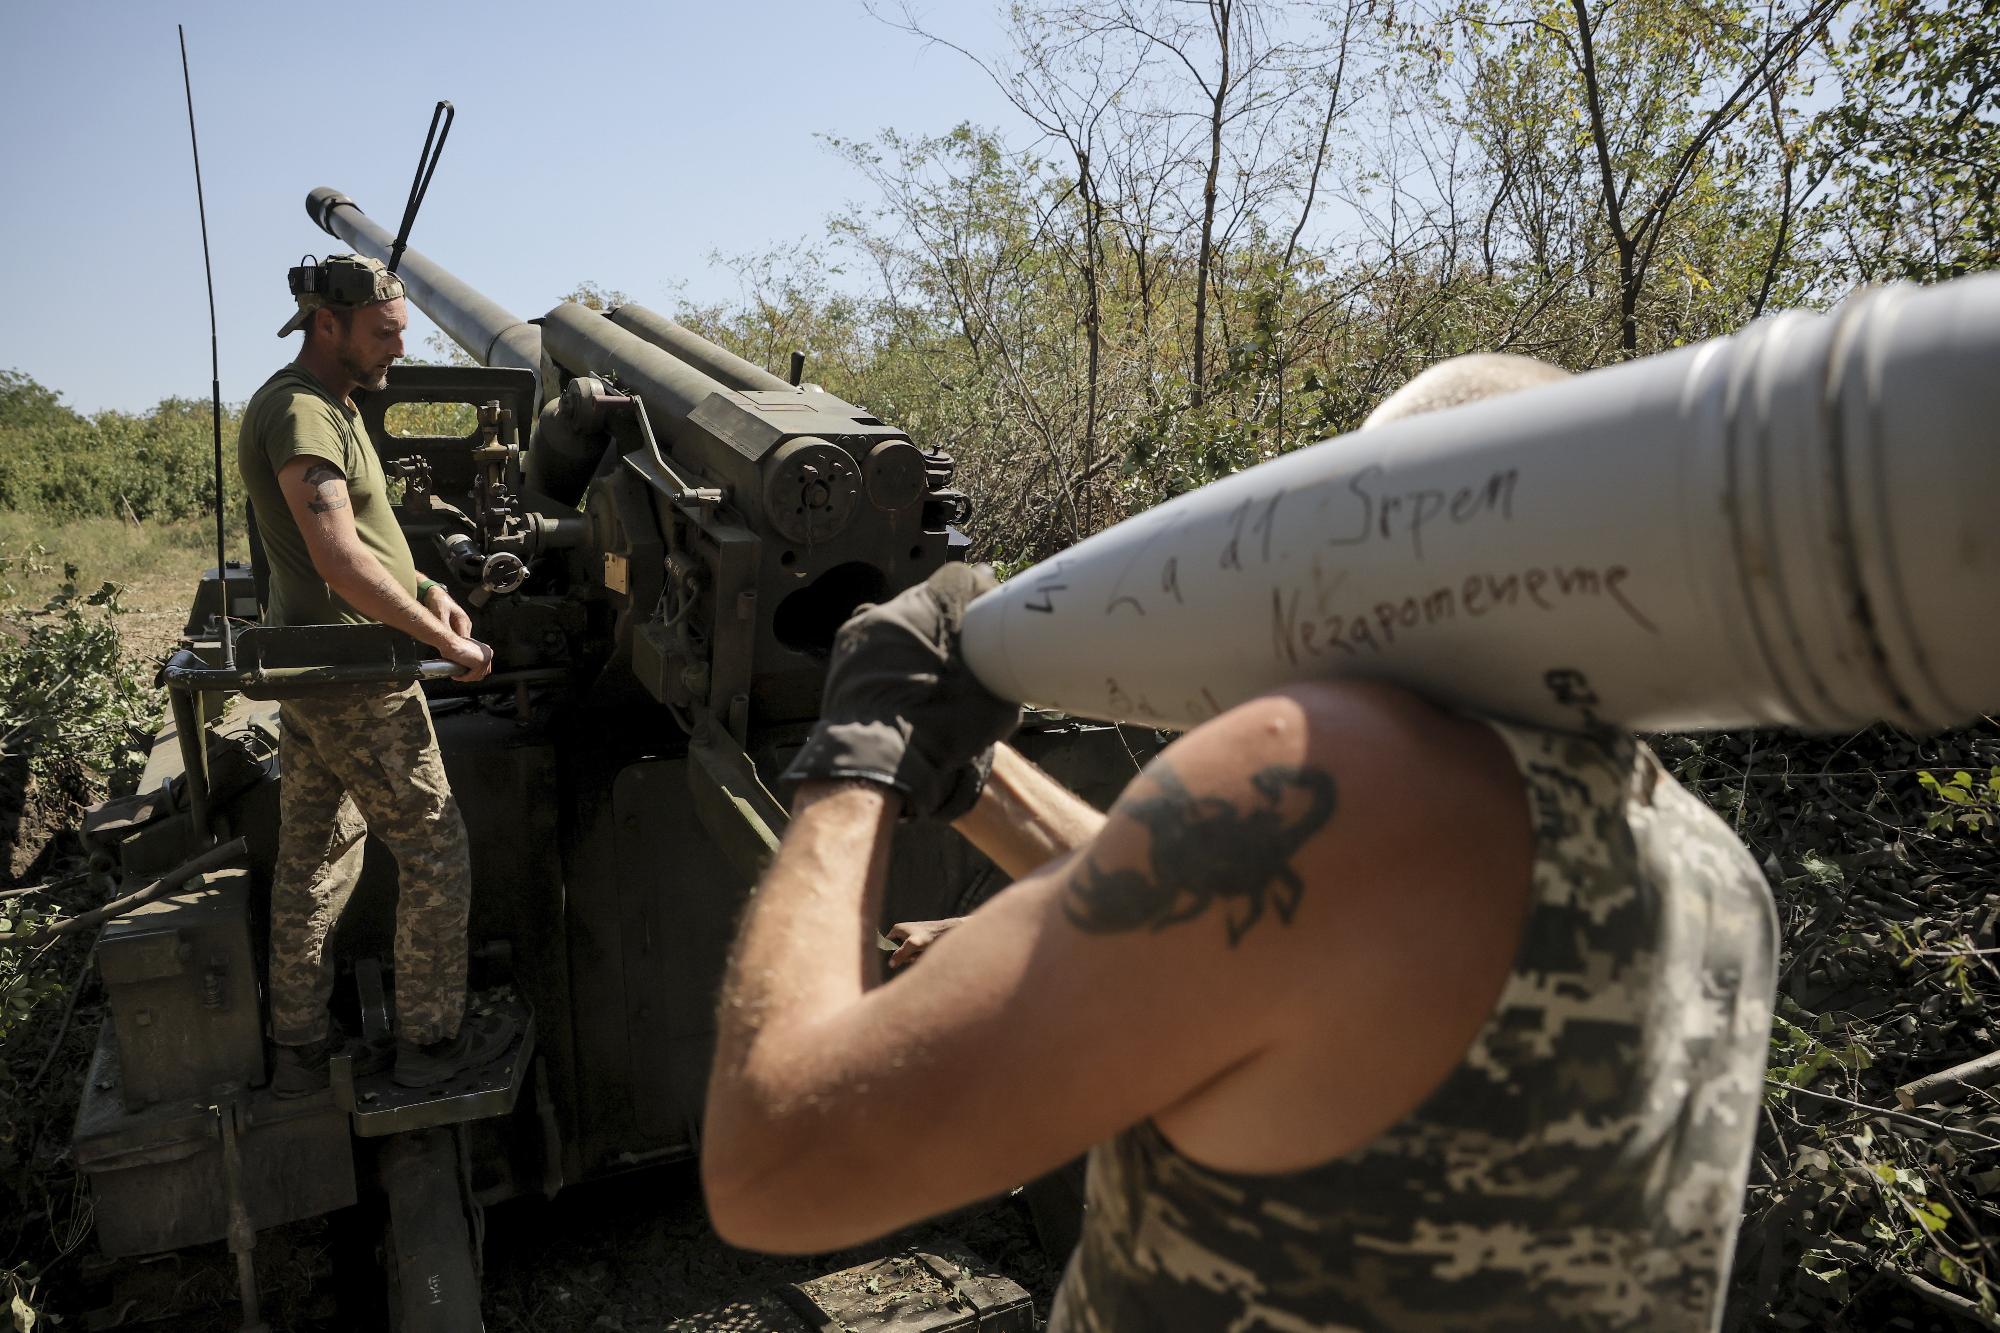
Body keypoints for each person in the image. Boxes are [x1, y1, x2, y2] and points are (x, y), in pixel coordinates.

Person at [699, 355, 1779, 1331]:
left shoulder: (1338, 777)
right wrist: (975, 776)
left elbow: (775, 1167)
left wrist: (854, 756)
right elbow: (1244, 940)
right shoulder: (1711, 866)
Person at [239, 253, 513, 1095]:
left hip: (324, 667)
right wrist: (443, 638)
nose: (397, 349)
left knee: (317, 853)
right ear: (330, 325)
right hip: (356, 672)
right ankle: (433, 1045)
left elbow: (374, 532)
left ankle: (300, 1047)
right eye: (385, 334)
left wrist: (431, 587)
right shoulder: (299, 413)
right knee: (435, 852)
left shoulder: (336, 408)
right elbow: (337, 558)